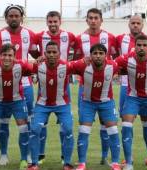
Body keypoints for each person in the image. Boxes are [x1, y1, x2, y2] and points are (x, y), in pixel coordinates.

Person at [0, 4, 39, 166]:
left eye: (17, 15)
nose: (14, 18)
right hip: (3, 85)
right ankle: (3, 155)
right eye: (11, 16)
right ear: (6, 17)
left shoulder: (29, 34)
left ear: (21, 17)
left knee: (27, 121)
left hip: (25, 85)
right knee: (4, 121)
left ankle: (28, 155)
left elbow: (36, 55)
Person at [115, 35, 147, 170]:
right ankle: (129, 164)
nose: (142, 48)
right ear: (135, 46)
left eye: (144, 45)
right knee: (126, 126)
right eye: (139, 45)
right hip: (133, 97)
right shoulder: (126, 58)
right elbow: (112, 66)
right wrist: (119, 72)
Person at [74, 8, 118, 165]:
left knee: (106, 124)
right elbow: (76, 62)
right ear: (86, 20)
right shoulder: (80, 39)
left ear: (101, 20)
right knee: (84, 124)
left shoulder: (110, 38)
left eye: (96, 18)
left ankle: (104, 157)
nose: (93, 20)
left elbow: (116, 60)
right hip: (84, 88)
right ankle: (82, 162)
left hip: (105, 89)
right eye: (90, 18)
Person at [35, 10, 76, 164]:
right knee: (41, 122)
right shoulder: (40, 36)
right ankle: (40, 154)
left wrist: (70, 65)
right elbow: (34, 52)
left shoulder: (69, 36)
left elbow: (78, 52)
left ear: (60, 21)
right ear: (47, 22)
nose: (53, 24)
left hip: (63, 82)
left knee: (65, 124)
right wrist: (38, 59)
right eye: (50, 22)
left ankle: (65, 156)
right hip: (45, 79)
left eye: (55, 21)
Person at [27, 41, 75, 170]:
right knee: (35, 129)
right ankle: (34, 163)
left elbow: (84, 65)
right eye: (49, 52)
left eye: (54, 52)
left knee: (68, 130)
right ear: (44, 54)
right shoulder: (37, 66)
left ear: (59, 54)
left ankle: (67, 163)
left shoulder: (67, 66)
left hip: (62, 105)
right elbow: (21, 67)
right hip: (42, 104)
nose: (52, 55)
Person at [0, 44, 33, 169]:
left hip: (17, 101)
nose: (7, 58)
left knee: (23, 129)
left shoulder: (21, 65)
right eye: (4, 55)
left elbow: (35, 68)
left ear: (14, 57)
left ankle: (23, 158)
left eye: (10, 55)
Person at [72, 43, 121, 170]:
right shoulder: (82, 65)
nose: (98, 56)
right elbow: (66, 67)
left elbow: (126, 67)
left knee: (113, 131)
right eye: (95, 53)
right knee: (84, 130)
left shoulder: (113, 65)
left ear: (106, 56)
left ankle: (115, 162)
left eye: (101, 53)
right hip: (87, 103)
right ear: (90, 55)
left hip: (106, 103)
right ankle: (82, 163)